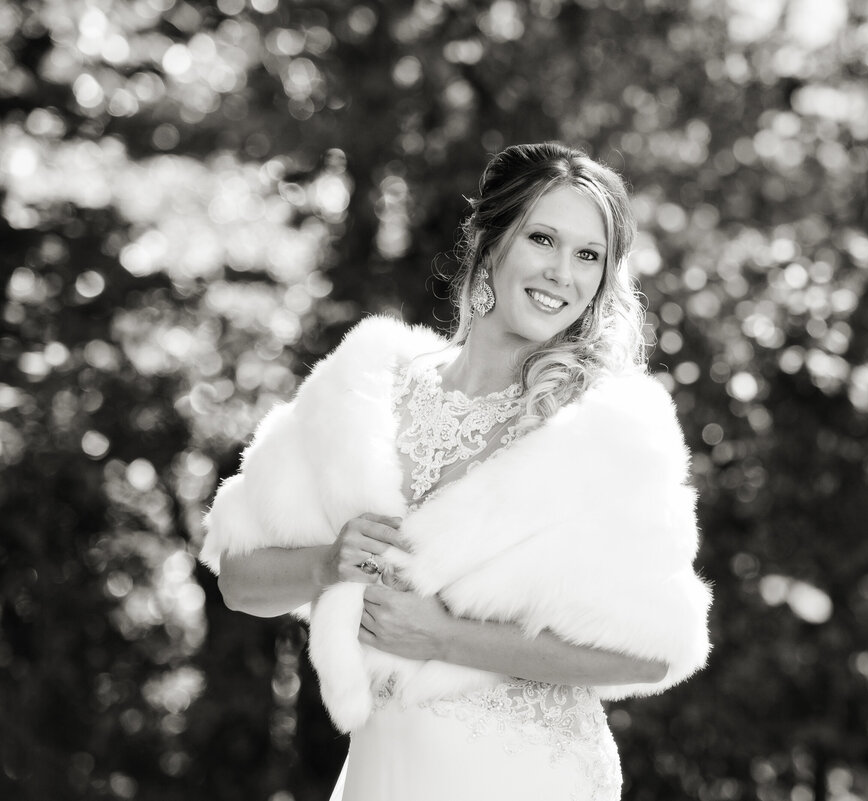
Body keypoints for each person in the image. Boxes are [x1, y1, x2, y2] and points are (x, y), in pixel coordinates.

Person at [200, 142, 712, 801]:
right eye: (543, 238)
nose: (562, 272)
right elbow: (240, 577)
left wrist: (445, 637)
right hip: (386, 773)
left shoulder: (608, 432)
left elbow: (658, 648)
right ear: (489, 241)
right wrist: (327, 564)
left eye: (589, 255)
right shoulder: (364, 392)